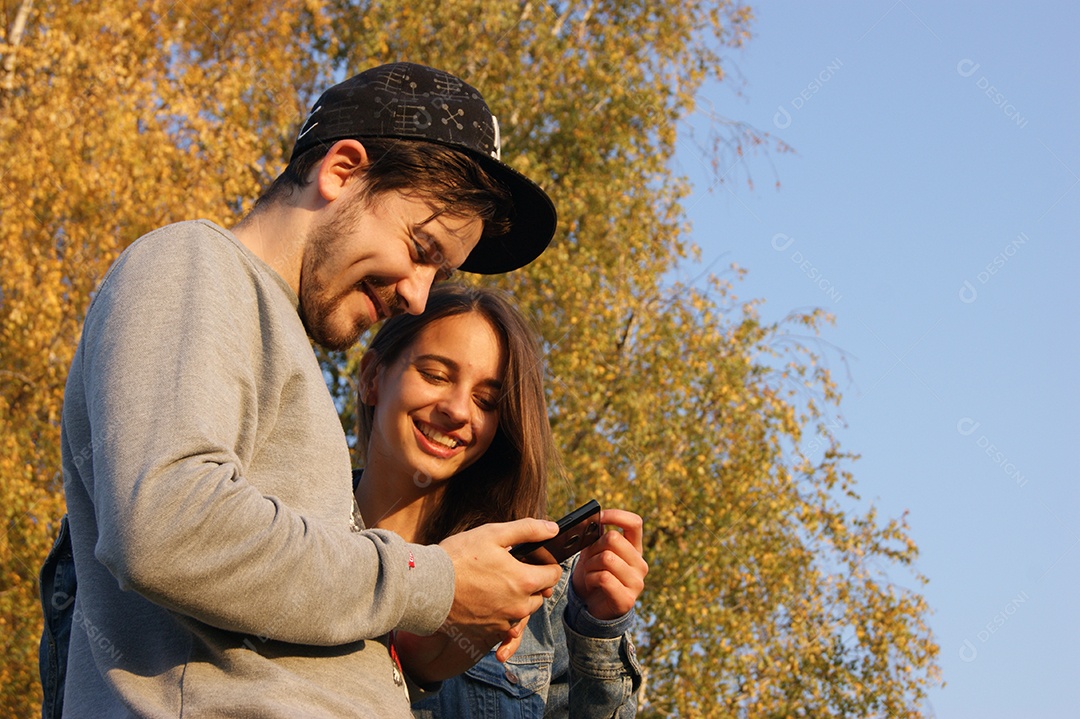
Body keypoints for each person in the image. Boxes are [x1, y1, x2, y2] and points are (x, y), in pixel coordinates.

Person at [46, 62, 565, 718]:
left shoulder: (273, 340)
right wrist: (433, 581)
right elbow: (167, 525)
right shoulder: (192, 262)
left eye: (440, 271)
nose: (416, 294)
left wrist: (428, 645)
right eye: (420, 247)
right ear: (341, 170)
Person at [351, 283, 647, 717]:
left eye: (486, 400)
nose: (458, 410)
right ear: (372, 377)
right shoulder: (289, 529)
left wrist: (596, 631)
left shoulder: (537, 586)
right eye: (435, 375)